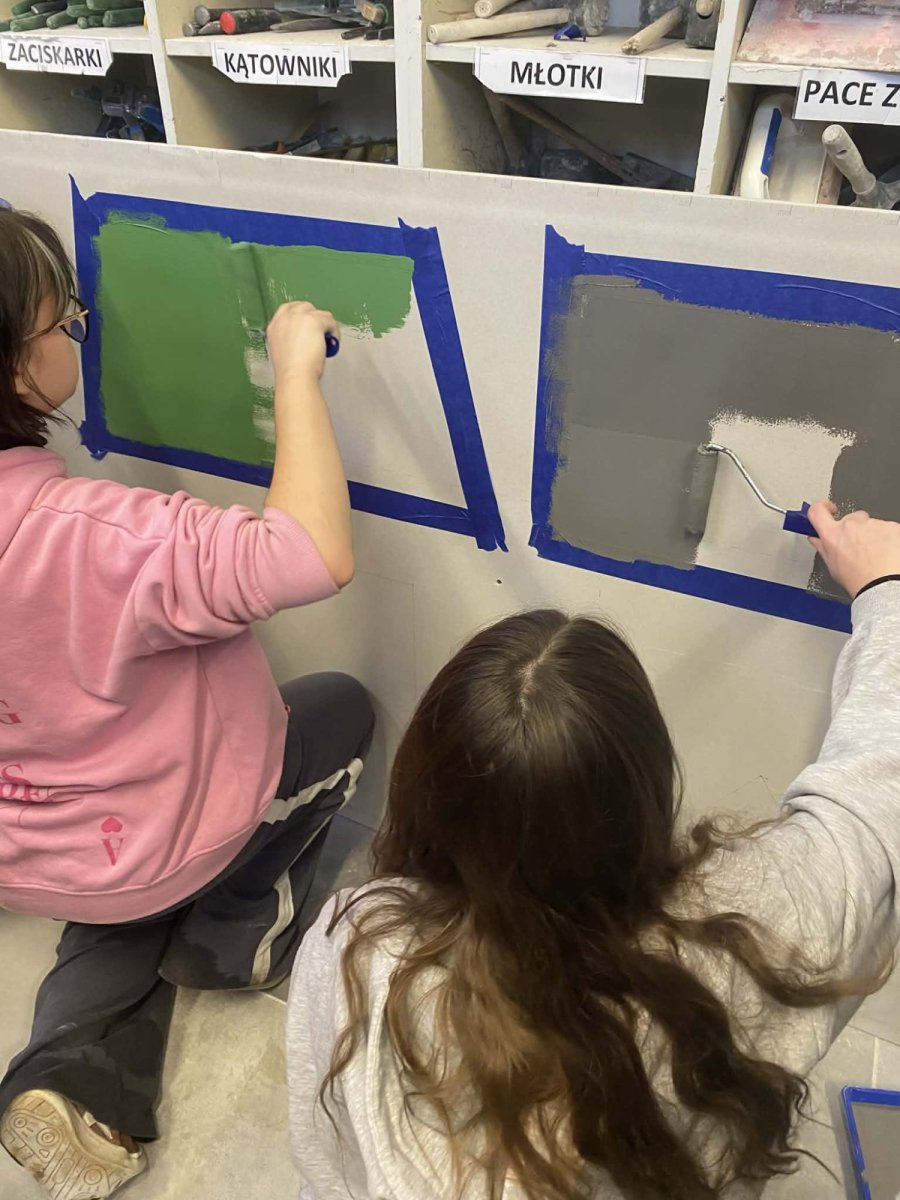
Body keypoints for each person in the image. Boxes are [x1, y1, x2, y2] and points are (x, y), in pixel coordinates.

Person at [286, 504, 900, 1200]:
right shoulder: (755, 930)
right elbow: (874, 807)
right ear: (645, 783)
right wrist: (886, 592)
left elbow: (327, 1159)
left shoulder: (359, 951)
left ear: (426, 785)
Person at [0, 208, 374, 1199]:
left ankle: (63, 1072)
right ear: (17, 369)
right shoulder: (91, 534)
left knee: (111, 910)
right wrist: (295, 372)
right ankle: (237, 936)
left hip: (38, 849)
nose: (77, 328)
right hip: (166, 827)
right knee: (339, 710)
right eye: (62, 322)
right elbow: (309, 553)